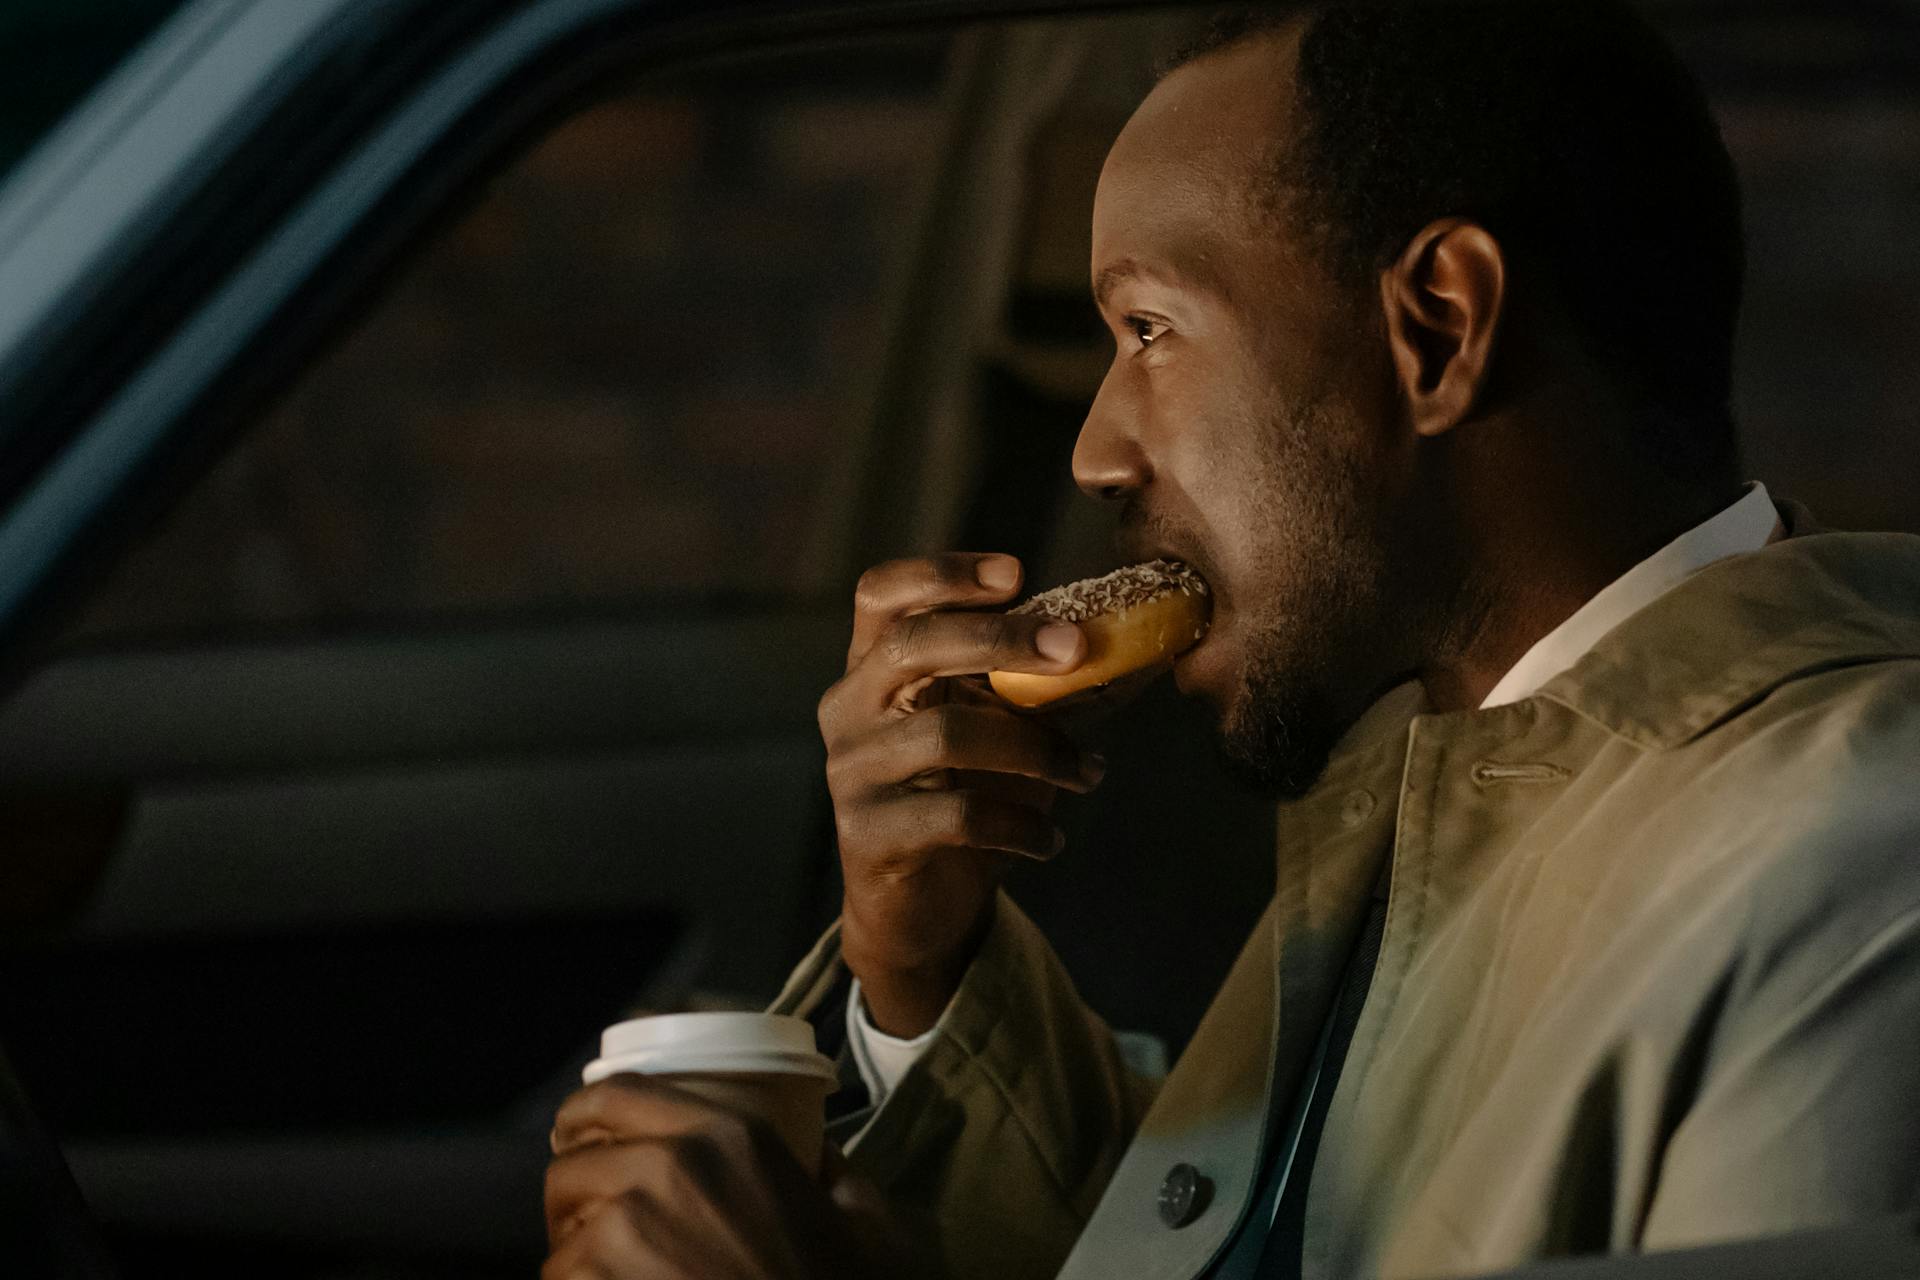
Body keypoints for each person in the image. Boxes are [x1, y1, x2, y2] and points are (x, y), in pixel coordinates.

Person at [539, 4, 1920, 1277]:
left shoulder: (1858, 872)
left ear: (1437, 328)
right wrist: (921, 967)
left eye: (1152, 328)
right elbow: (1233, 1235)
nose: (1094, 449)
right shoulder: (1434, 773)